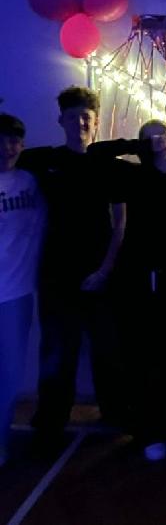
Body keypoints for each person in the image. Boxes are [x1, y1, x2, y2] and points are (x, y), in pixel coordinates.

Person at [17, 87, 129, 450]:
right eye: (72, 117)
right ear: (61, 120)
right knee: (56, 352)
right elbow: (8, 155)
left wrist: (105, 270)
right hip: (56, 274)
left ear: (95, 122)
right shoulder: (44, 161)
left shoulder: (108, 164)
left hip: (101, 272)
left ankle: (115, 412)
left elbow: (120, 223)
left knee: (107, 349)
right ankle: (50, 422)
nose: (79, 123)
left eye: (86, 117)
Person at [88, 120, 166, 461]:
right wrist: (135, 146)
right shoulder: (132, 177)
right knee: (142, 356)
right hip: (136, 277)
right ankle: (148, 431)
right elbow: (95, 153)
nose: (158, 141)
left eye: (162, 135)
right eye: (149, 138)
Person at [0, 114, 44, 466]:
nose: (7, 148)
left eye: (13, 141)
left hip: (17, 294)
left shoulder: (31, 181)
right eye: (0, 141)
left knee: (11, 374)